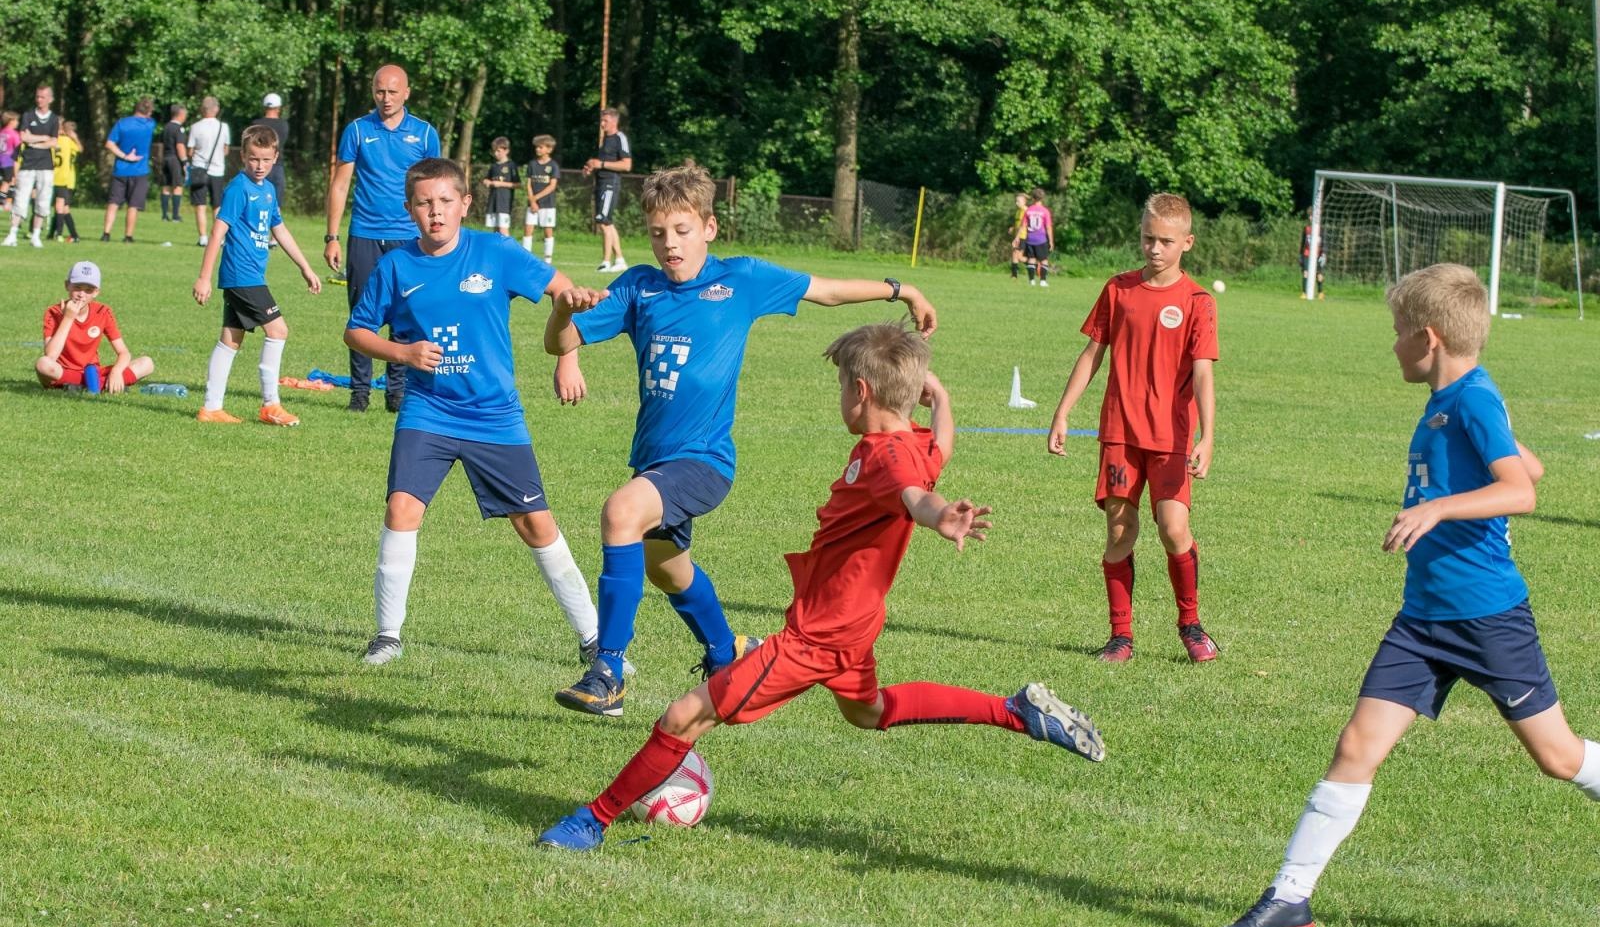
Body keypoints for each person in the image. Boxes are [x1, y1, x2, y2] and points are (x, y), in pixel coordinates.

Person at [537, 322, 1105, 850]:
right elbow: (939, 453)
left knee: (684, 717)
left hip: (817, 636)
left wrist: (940, 517)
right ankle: (1017, 711)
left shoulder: (888, 460)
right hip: (854, 625)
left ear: (861, 390)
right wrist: (946, 401)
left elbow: (914, 495)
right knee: (870, 713)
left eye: (840, 386)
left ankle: (593, 820)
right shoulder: (911, 445)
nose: (839, 398)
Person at [1211, 263, 1600, 927]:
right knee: (1356, 745)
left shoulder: (1474, 399)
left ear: (1429, 338)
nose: (1391, 345)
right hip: (1421, 620)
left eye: (1397, 333)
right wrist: (1503, 460)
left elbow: (1522, 491)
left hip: (1486, 617)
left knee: (1559, 757)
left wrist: (1441, 507)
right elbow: (1524, 465)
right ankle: (1289, 898)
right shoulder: (1457, 400)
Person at [543, 163, 938, 718]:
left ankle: (607, 670)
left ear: (708, 227)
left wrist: (903, 288)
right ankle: (726, 652)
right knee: (664, 567)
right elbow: (557, 340)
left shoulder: (741, 280)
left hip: (704, 461)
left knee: (621, 512)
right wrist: (563, 315)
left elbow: (826, 291)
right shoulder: (638, 286)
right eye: (658, 233)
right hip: (654, 461)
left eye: (681, 231)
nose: (669, 245)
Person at [343, 157, 598, 667]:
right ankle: (387, 635)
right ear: (409, 209)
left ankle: (595, 640)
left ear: (465, 204)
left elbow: (564, 294)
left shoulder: (495, 251)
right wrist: (403, 353)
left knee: (535, 524)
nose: (434, 212)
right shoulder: (395, 265)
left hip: (493, 415)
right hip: (427, 409)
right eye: (423, 203)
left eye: (444, 202)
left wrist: (567, 357)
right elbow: (357, 330)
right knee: (401, 509)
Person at [1047, 192, 1219, 664]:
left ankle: (1191, 623)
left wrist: (1207, 435)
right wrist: (1063, 412)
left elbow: (1203, 371)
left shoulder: (1198, 301)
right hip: (1120, 432)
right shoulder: (1118, 289)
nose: (1154, 249)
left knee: (1173, 528)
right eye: (1147, 238)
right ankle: (1120, 637)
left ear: (1187, 242)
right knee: (1120, 531)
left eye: (1165, 241)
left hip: (1171, 437)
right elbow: (1091, 355)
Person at [325, 65, 441, 414]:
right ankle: (359, 394)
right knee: (363, 316)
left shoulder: (424, 134)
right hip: (364, 234)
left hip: (409, 237)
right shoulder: (358, 130)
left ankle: (398, 394)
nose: (386, 98)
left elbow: (436, 188)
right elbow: (341, 184)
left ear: (407, 92)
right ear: (372, 92)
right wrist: (332, 236)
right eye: (380, 91)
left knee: (407, 315)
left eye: (392, 92)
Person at [191, 125, 323, 426]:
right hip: (242, 275)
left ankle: (211, 408)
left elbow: (280, 229)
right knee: (278, 331)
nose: (259, 166)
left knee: (230, 339)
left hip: (249, 276)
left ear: (275, 157)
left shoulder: (268, 190)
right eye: (253, 159)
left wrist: (305, 266)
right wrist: (204, 277)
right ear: (243, 158)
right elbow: (217, 232)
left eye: (265, 160)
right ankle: (270, 404)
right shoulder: (239, 188)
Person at [35, 261, 154, 391]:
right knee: (43, 364)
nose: (81, 294)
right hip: (64, 371)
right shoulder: (53, 311)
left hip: (92, 371)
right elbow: (51, 355)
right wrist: (68, 318)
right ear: (67, 285)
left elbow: (123, 352)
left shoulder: (102, 311)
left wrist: (116, 372)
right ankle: (99, 385)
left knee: (147, 363)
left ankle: (84, 385)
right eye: (77, 287)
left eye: (88, 290)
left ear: (96, 292)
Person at [5, 84, 61, 248]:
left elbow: (54, 141)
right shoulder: (28, 115)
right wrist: (43, 138)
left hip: (46, 166)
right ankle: (12, 234)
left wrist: (36, 140)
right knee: (20, 199)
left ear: (50, 99)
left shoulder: (54, 119)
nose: (39, 100)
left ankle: (36, 236)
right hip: (28, 164)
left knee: (43, 201)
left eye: (43, 97)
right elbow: (23, 136)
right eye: (37, 96)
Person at [101, 97, 158, 243]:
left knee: (113, 203)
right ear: (149, 111)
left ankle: (106, 233)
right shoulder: (150, 125)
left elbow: (109, 143)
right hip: (139, 170)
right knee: (133, 205)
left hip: (120, 168)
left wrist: (125, 156)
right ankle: (128, 236)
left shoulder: (122, 123)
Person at [583, 108, 631, 272]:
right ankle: (619, 260)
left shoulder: (620, 138)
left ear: (614, 121)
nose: (602, 124)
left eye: (605, 121)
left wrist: (601, 164)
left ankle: (606, 261)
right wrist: (591, 167)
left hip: (610, 184)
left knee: (603, 222)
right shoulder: (605, 140)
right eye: (601, 121)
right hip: (601, 184)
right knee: (607, 222)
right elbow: (602, 163)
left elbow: (627, 164)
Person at [186, 96, 231, 248]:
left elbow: (190, 151)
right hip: (217, 170)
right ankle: (219, 238)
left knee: (200, 205)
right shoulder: (223, 127)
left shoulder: (195, 127)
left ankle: (203, 237)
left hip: (199, 168)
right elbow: (226, 150)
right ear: (216, 109)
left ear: (202, 109)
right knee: (217, 205)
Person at [251, 93, 290, 211]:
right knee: (275, 206)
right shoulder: (284, 125)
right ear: (279, 108)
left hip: (257, 166)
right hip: (276, 165)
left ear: (264, 107)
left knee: (255, 202)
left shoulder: (255, 124)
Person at [522, 134, 558, 261]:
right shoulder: (532, 164)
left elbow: (552, 186)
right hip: (532, 204)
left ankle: (547, 259)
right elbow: (529, 184)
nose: (537, 149)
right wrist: (532, 200)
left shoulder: (553, 165)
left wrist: (535, 198)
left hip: (547, 204)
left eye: (540, 147)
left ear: (549, 149)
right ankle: (526, 257)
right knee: (528, 229)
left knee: (547, 231)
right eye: (536, 147)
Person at [48, 120, 82, 242]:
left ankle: (65, 234)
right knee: (61, 207)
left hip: (61, 178)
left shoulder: (57, 141)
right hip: (68, 178)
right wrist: (75, 138)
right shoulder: (69, 142)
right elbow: (80, 149)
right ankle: (67, 234)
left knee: (61, 207)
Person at [483, 136, 518, 237]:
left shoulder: (511, 165)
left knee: (503, 230)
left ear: (506, 150)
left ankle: (509, 251)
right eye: (494, 151)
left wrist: (500, 184)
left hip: (504, 203)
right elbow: (487, 178)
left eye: (498, 151)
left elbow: (517, 184)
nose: (495, 153)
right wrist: (486, 181)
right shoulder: (494, 166)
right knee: (495, 230)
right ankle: (497, 251)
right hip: (493, 201)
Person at [159, 104, 188, 223]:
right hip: (175, 159)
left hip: (165, 157)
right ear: (180, 114)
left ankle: (165, 215)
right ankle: (175, 215)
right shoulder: (178, 128)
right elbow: (180, 145)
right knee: (177, 185)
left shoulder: (166, 127)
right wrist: (184, 161)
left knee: (166, 185)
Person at [1021, 187, 1054, 287]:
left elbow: (1023, 226)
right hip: (1041, 239)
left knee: (1031, 259)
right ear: (1042, 198)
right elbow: (1048, 227)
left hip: (1030, 239)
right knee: (1044, 260)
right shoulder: (1045, 211)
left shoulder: (1028, 210)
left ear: (1033, 198)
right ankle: (1043, 281)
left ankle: (1031, 280)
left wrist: (1017, 238)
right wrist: (1051, 241)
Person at [1300, 222, 1326, 299]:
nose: (1312, 218)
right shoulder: (1306, 228)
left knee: (1319, 274)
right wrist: (1300, 255)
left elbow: (1324, 243)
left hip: (1318, 255)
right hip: (1307, 254)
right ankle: (1304, 293)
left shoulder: (1321, 230)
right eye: (1311, 216)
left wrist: (1324, 254)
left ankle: (1320, 292)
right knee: (1306, 272)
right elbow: (1303, 242)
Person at [1008, 192, 1027, 280]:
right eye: (1016, 201)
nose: (1016, 203)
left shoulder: (1026, 211)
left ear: (1024, 201)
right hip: (1017, 236)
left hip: (1023, 236)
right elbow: (1017, 223)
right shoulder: (1018, 211)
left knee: (1018, 256)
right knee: (1014, 254)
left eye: (1018, 201)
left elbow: (1024, 225)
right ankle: (1014, 275)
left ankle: (1035, 263)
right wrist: (1013, 227)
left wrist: (1018, 236)